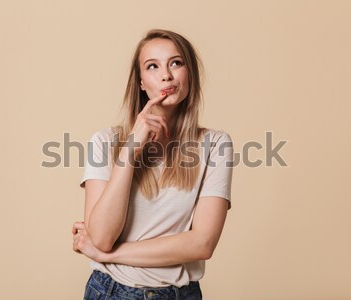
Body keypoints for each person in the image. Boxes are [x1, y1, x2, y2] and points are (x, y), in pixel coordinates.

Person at [72, 29, 233, 300]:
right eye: (152, 66)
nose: (166, 75)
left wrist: (109, 254)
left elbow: (202, 243)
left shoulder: (216, 144)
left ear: (190, 75)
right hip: (111, 291)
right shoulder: (105, 141)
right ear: (141, 83)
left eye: (176, 63)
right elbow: (101, 236)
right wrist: (131, 148)